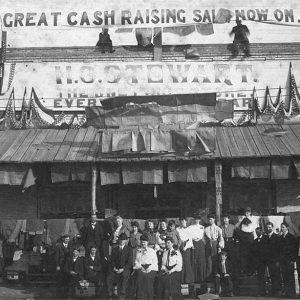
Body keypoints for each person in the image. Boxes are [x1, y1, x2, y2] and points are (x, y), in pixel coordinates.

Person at [107, 233, 132, 300]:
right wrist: (114, 268)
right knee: (109, 277)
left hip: (125, 269)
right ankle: (111, 295)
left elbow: (130, 263)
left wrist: (123, 269)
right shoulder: (115, 249)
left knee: (124, 276)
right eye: (120, 239)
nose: (121, 241)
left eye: (123, 240)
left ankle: (122, 295)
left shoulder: (129, 250)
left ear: (126, 240)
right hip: (115, 269)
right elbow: (112, 261)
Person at [134, 234, 158, 300]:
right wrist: (140, 267)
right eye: (142, 242)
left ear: (147, 242)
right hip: (141, 267)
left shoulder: (152, 251)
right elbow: (136, 261)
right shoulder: (139, 251)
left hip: (151, 268)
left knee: (148, 280)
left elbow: (155, 262)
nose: (143, 243)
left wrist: (149, 268)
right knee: (140, 278)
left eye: (144, 242)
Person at [262, 222, 281, 297]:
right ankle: (273, 292)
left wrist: (277, 260)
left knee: (276, 275)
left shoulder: (276, 237)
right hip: (268, 261)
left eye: (270, 227)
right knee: (271, 276)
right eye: (267, 227)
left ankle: (277, 292)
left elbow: (278, 250)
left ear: (272, 227)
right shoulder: (265, 237)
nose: (268, 228)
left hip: (275, 260)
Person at [279, 222, 297, 298]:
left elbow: (294, 250)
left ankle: (292, 293)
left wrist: (293, 260)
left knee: (290, 277)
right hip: (283, 261)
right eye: (281, 227)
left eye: (283, 227)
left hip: (289, 260)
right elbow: (279, 250)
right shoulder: (280, 238)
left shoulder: (291, 237)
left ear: (287, 228)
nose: (282, 229)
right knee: (285, 276)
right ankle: (286, 293)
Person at [235, 207, 255, 274]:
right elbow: (236, 226)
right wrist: (240, 222)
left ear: (250, 212)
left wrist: (254, 238)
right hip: (243, 236)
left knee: (250, 253)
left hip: (250, 237)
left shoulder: (253, 219)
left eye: (248, 212)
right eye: (246, 212)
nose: (247, 213)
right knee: (243, 253)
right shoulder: (242, 219)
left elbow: (254, 229)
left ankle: (251, 270)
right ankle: (244, 270)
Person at [204, 214, 224, 281]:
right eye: (209, 219)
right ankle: (209, 278)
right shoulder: (206, 229)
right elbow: (203, 238)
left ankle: (216, 277)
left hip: (215, 244)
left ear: (214, 219)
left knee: (216, 260)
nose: (210, 221)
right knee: (209, 261)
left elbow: (221, 238)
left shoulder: (218, 229)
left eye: (211, 219)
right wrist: (206, 244)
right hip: (209, 245)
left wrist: (220, 246)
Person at [189, 214, 206, 285]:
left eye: (198, 219)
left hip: (200, 244)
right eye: (195, 219)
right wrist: (191, 244)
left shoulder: (202, 227)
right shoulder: (190, 227)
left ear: (200, 220)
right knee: (194, 259)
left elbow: (202, 236)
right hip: (193, 243)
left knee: (201, 260)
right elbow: (189, 236)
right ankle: (194, 278)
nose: (197, 220)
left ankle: (201, 278)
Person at [176, 216, 194, 284]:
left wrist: (185, 247)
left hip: (186, 247)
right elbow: (177, 238)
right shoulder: (177, 229)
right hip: (179, 247)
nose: (183, 222)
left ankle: (188, 280)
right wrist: (178, 247)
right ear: (179, 222)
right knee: (180, 262)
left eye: (184, 221)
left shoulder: (189, 229)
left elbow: (190, 239)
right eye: (181, 221)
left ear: (186, 221)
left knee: (186, 262)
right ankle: (181, 279)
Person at [55, 234, 71, 298]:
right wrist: (57, 265)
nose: (67, 240)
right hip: (61, 265)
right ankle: (60, 295)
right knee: (61, 280)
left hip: (68, 265)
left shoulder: (70, 246)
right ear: (63, 239)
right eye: (66, 239)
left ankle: (66, 295)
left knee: (67, 280)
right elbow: (56, 257)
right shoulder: (59, 246)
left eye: (68, 239)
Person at [252, 227, 267, 297]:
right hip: (257, 263)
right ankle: (260, 292)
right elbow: (253, 253)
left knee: (263, 276)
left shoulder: (265, 239)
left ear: (261, 231)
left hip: (264, 262)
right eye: (256, 232)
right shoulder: (255, 241)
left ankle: (265, 291)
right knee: (259, 277)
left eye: (258, 232)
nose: (257, 233)